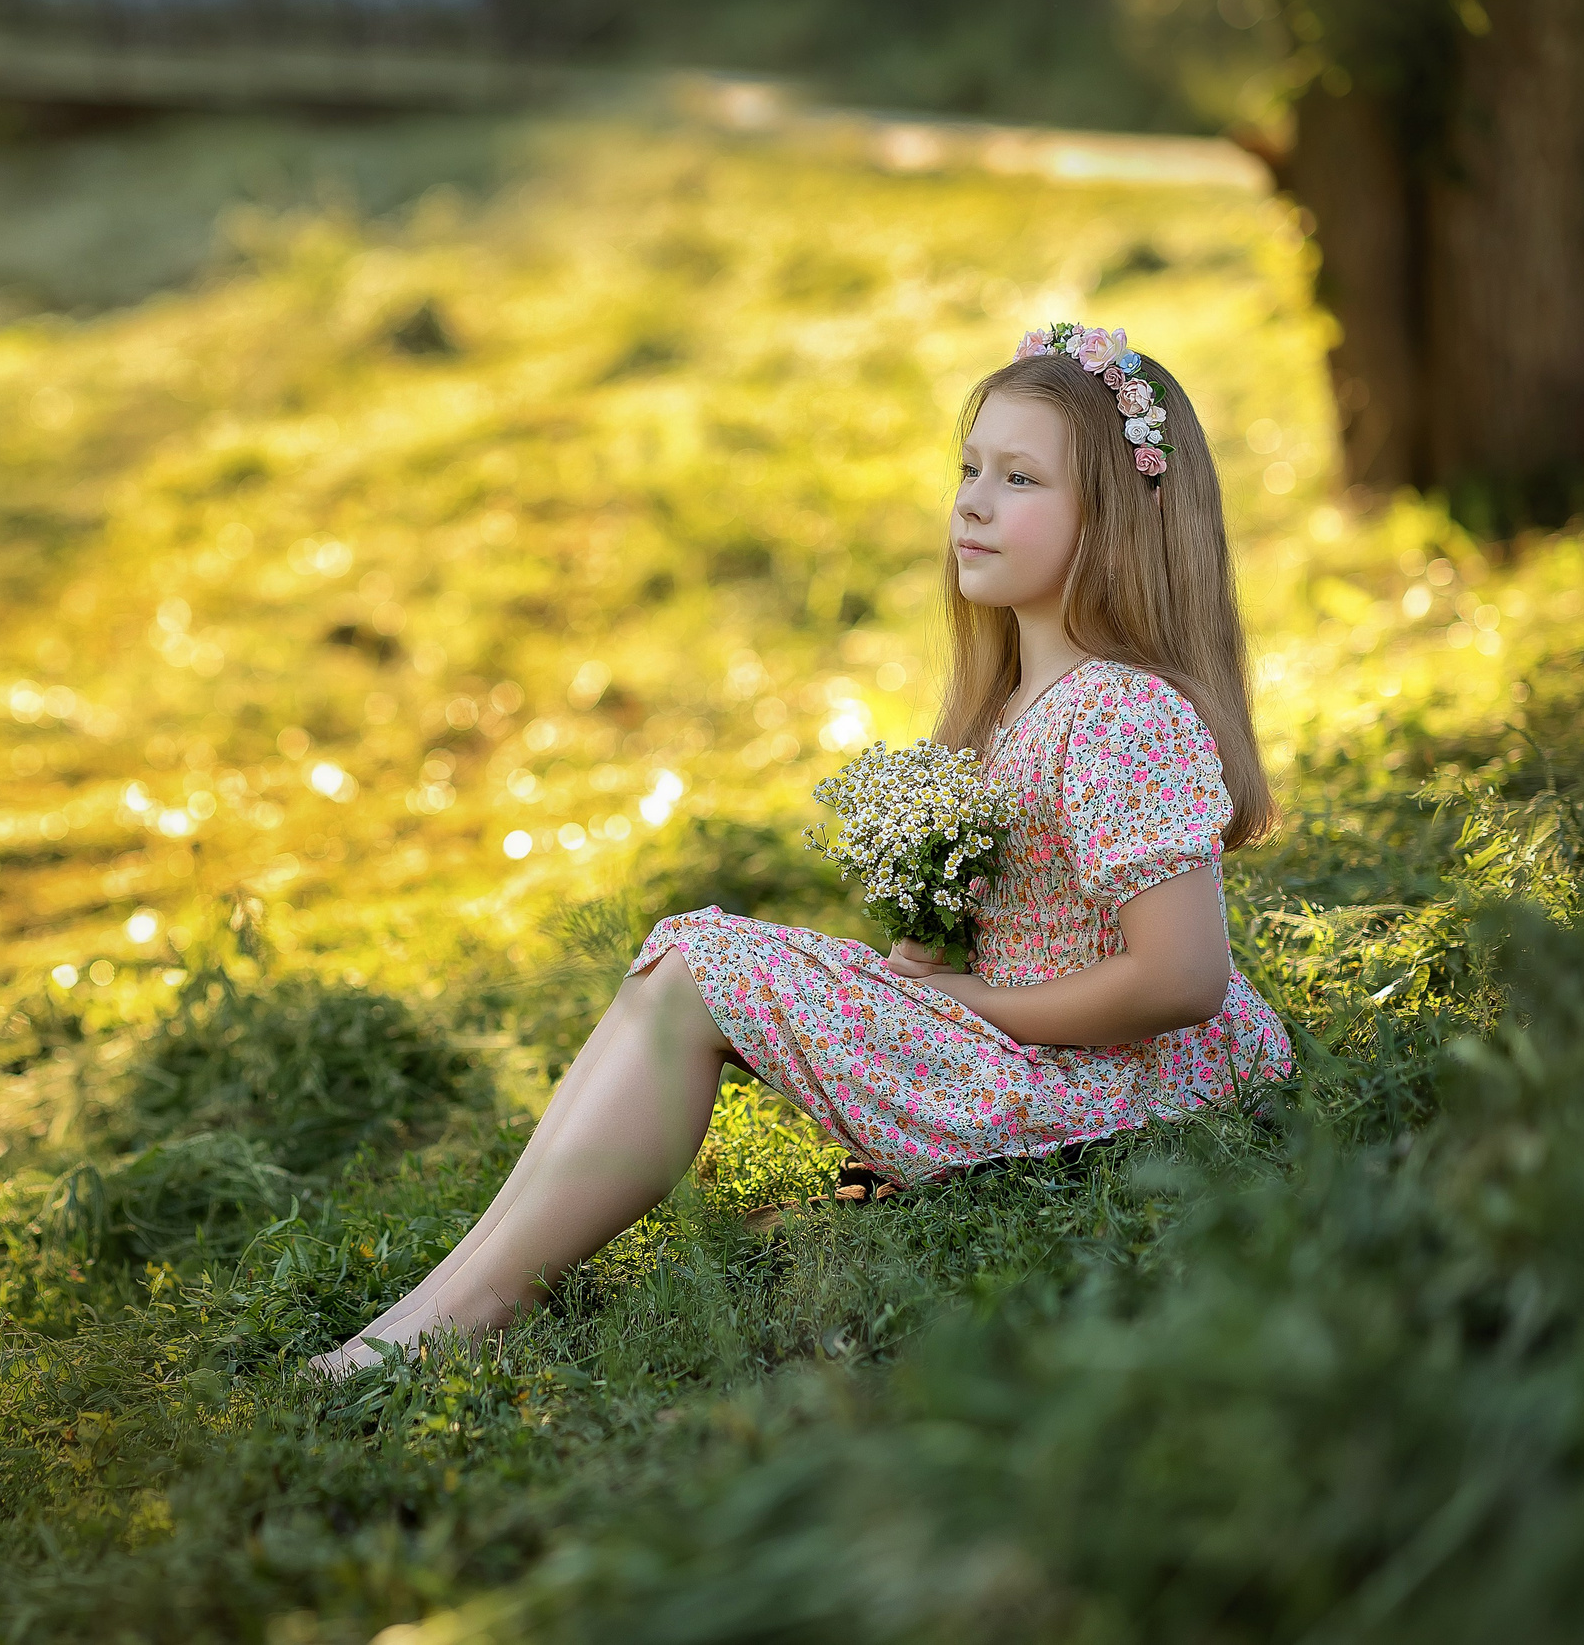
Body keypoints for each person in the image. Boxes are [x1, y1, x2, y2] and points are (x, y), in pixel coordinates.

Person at [308, 323, 1293, 1378]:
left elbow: (1182, 979)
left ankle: (460, 1314)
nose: (970, 502)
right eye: (969, 469)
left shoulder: (1121, 714)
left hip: (1119, 1091)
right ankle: (438, 1302)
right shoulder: (1021, 706)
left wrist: (963, 1005)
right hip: (1032, 1049)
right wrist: (943, 965)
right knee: (678, 963)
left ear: (1115, 521)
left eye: (1019, 478)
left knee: (698, 965)